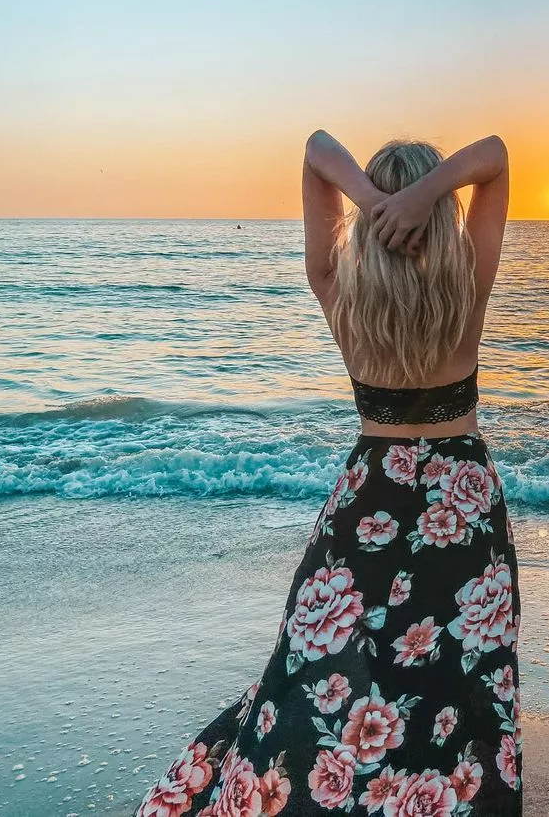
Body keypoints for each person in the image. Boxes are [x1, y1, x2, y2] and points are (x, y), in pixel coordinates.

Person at [136, 131, 521, 816]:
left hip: (366, 503)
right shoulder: (469, 289)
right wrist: (424, 193)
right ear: (440, 219)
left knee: (322, 681)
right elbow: (494, 155)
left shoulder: (338, 291)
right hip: (462, 510)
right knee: (462, 688)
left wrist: (371, 200)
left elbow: (316, 149)